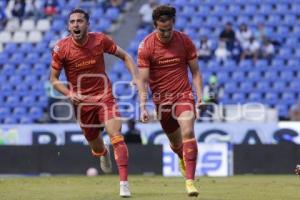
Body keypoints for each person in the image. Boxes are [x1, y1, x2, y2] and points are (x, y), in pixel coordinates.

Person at [49, 8, 140, 197]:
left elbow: (125, 56)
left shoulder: (100, 40)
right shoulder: (61, 48)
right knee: (96, 146)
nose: (76, 24)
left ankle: (124, 184)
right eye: (72, 21)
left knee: (116, 134)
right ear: (68, 26)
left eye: (80, 21)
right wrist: (69, 92)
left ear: (87, 25)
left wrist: (135, 76)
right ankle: (103, 153)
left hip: (104, 95)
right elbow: (54, 79)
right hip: (82, 103)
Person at [137, 5, 202, 197]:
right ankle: (182, 157)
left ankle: (190, 181)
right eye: (161, 30)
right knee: (175, 144)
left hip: (183, 95)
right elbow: (143, 79)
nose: (165, 34)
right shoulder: (146, 46)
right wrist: (143, 106)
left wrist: (200, 97)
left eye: (168, 29)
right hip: (161, 100)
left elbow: (196, 72)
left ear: (174, 23)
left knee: (188, 130)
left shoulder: (185, 41)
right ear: (155, 26)